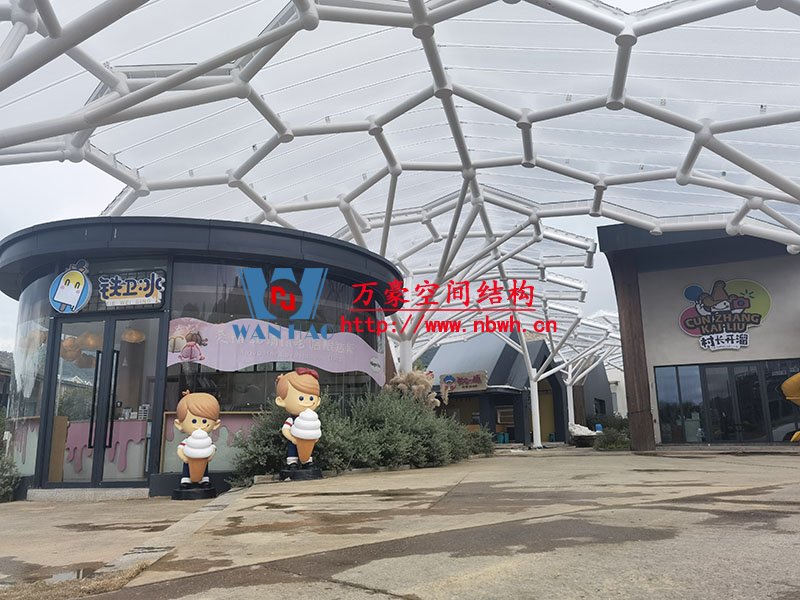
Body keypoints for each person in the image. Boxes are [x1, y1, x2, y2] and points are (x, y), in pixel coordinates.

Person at [275, 368, 321, 469]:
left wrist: (315, 437)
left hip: (307, 439)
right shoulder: (291, 420)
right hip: (293, 440)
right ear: (281, 401)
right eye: (301, 398)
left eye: (311, 398)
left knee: (308, 451)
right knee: (292, 450)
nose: (307, 402)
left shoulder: (312, 419)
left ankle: (307, 462)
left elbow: (316, 429)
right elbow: (285, 429)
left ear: (318, 401)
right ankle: (292, 463)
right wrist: (292, 438)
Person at [174, 390, 221, 486]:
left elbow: (212, 448)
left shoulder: (207, 441)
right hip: (189, 459)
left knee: (204, 467)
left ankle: (204, 479)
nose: (199, 425)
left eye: (204, 421)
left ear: (216, 424)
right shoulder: (188, 441)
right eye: (194, 421)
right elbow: (180, 449)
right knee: (187, 467)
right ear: (179, 424)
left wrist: (210, 456)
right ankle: (186, 478)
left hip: (204, 458)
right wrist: (184, 458)